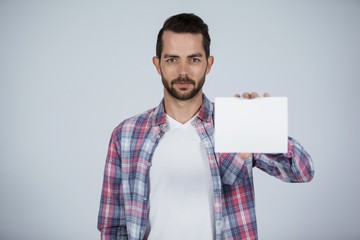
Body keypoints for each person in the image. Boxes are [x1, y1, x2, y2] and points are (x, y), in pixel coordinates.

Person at [97, 13, 314, 240]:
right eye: (172, 59)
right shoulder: (126, 135)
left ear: (208, 64)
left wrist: (264, 126)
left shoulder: (236, 123)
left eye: (194, 59)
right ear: (157, 64)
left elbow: (303, 171)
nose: (183, 71)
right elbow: (113, 225)